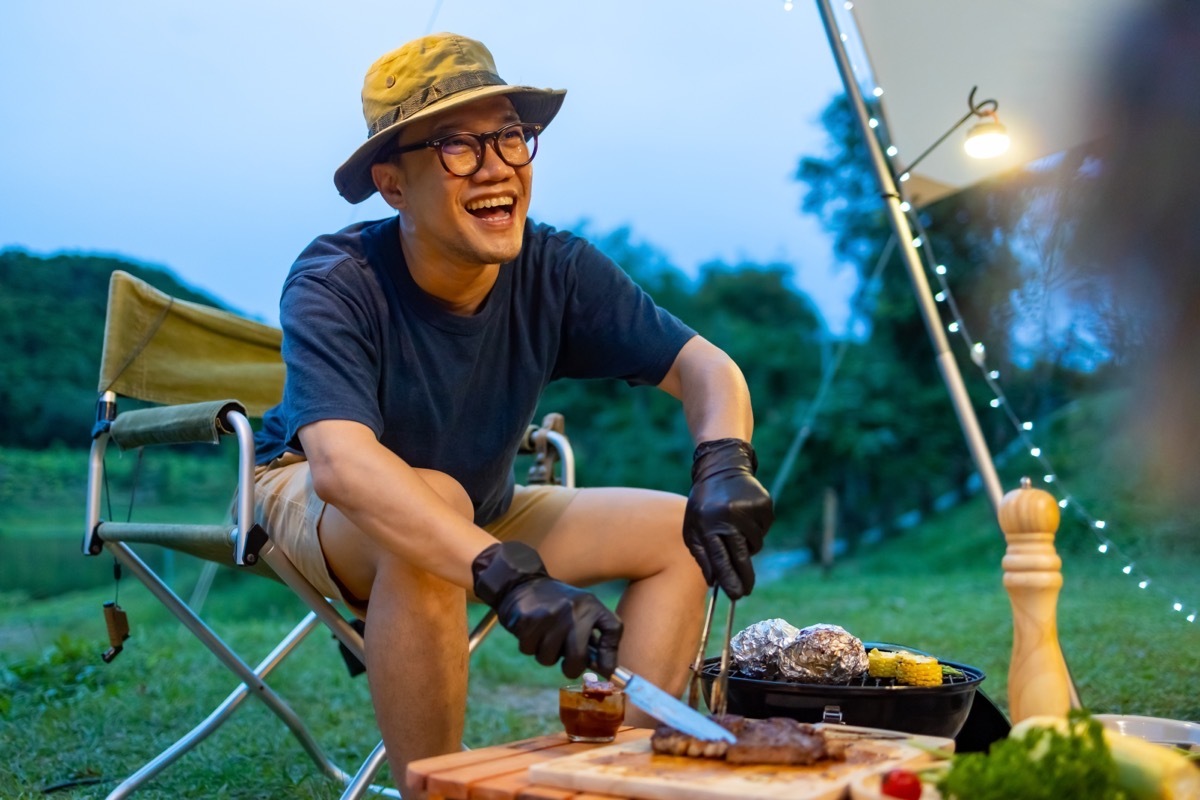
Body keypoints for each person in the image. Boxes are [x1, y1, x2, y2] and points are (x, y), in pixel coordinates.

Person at [252, 32, 774, 787]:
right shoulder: (337, 277)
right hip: (310, 499)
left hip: (482, 509)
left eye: (510, 137)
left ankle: (616, 775)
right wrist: (505, 574)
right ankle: (436, 789)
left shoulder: (555, 267)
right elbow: (342, 465)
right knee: (433, 502)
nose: (496, 164)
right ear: (393, 184)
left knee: (675, 531)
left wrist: (724, 461)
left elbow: (704, 366)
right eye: (458, 144)